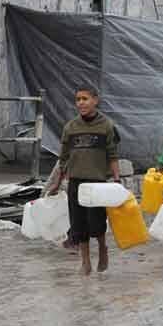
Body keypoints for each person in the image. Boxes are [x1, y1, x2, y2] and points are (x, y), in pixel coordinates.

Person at [49, 85, 120, 276]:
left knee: (97, 224)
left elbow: (113, 155)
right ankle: (86, 262)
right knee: (79, 224)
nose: (81, 103)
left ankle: (103, 248)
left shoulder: (106, 126)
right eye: (78, 99)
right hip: (76, 183)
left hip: (97, 184)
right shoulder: (70, 128)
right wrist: (56, 182)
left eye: (85, 99)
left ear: (95, 100)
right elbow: (63, 159)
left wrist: (117, 179)